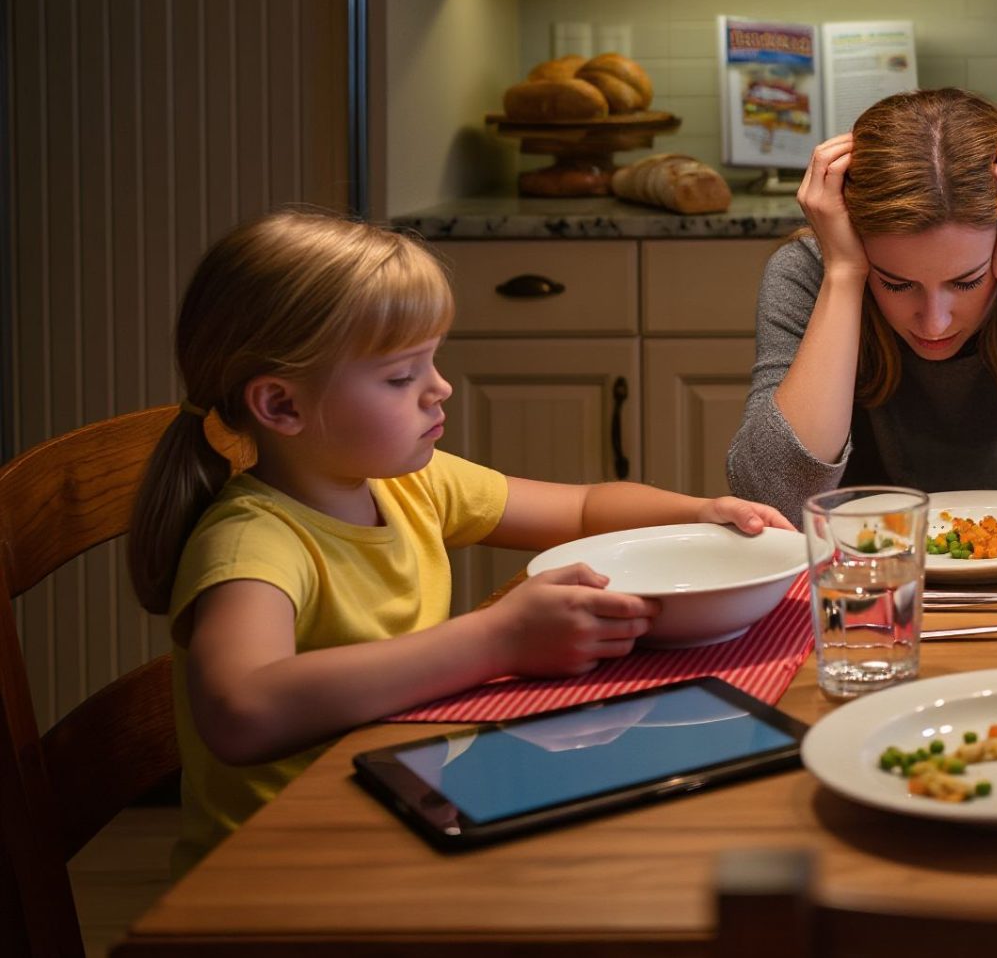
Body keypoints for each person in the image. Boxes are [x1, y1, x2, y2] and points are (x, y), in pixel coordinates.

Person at [128, 211, 791, 872]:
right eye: (400, 377)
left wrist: (700, 510)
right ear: (282, 407)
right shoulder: (254, 543)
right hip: (287, 867)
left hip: (400, 804)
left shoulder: (406, 486)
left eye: (432, 363)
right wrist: (496, 638)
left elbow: (587, 507)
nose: (439, 388)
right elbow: (243, 711)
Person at [727, 88, 997, 520]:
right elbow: (772, 496)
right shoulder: (809, 273)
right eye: (897, 284)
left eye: (967, 281)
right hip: (871, 575)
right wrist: (844, 276)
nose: (934, 323)